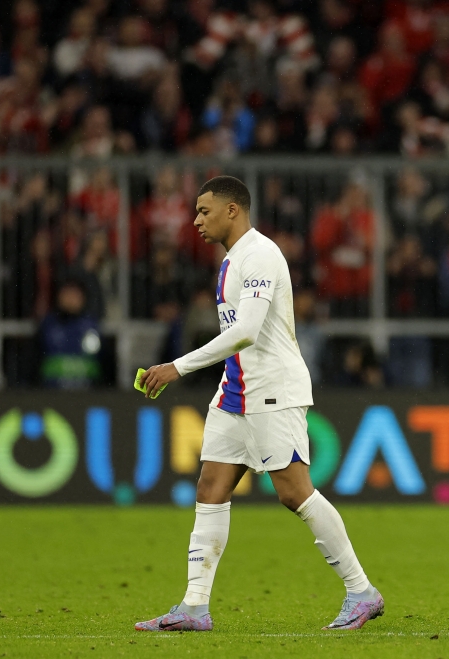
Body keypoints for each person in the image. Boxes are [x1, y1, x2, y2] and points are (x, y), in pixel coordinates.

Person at [136, 176, 383, 632]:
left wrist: (179, 366)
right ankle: (194, 607)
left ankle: (362, 591)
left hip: (272, 389)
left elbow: (247, 329)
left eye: (204, 211)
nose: (195, 220)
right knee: (210, 487)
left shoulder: (261, 255)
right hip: (235, 391)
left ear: (233, 210)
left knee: (294, 493)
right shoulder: (232, 261)